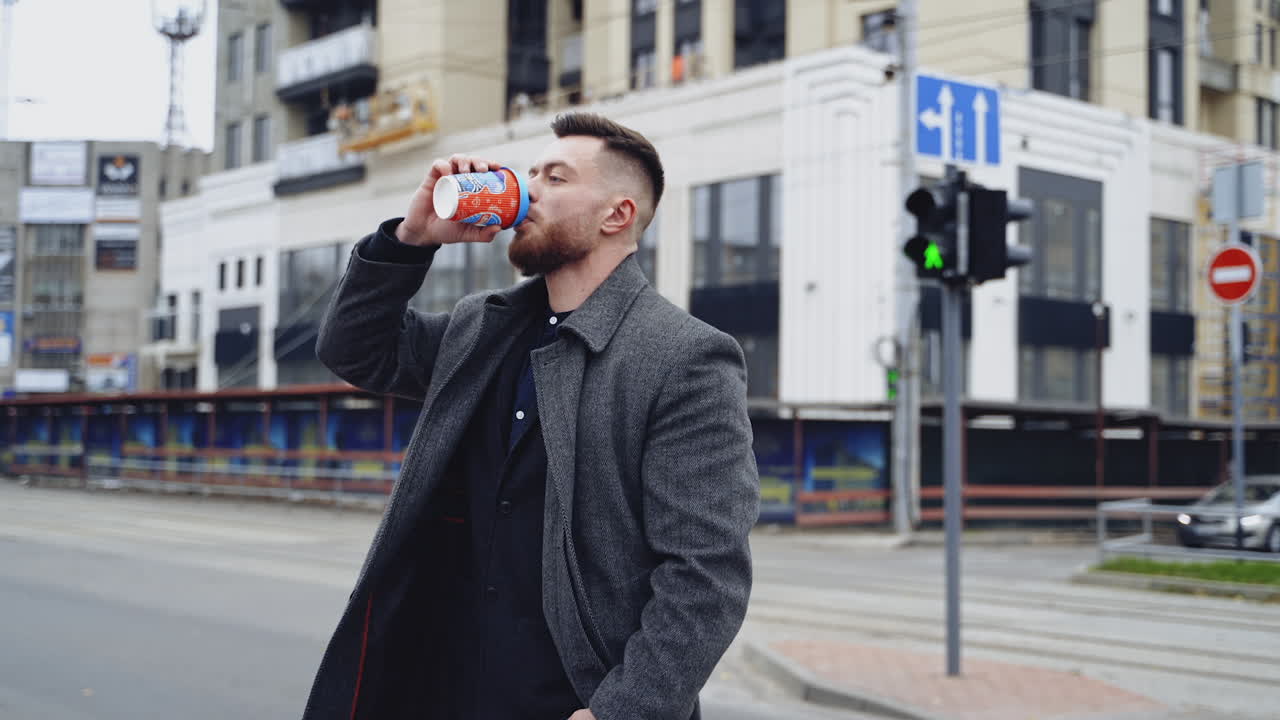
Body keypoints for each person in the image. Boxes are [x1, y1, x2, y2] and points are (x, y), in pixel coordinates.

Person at [305, 112, 760, 720]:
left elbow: (706, 572)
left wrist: (622, 711)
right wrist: (411, 241)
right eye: (531, 174)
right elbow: (354, 350)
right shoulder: (480, 327)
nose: (531, 189)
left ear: (616, 215)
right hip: (435, 690)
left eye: (556, 177)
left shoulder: (685, 357)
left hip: (570, 701)